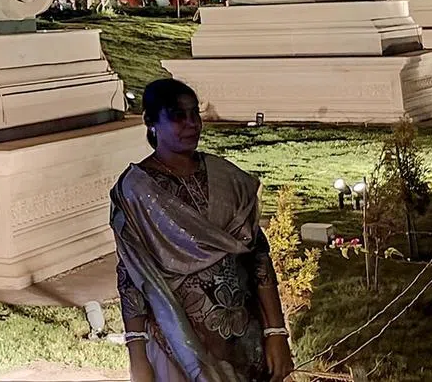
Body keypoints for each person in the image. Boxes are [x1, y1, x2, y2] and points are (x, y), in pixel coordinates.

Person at [110, 79, 294, 382]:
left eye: (195, 113)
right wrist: (137, 357)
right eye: (178, 115)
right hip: (178, 346)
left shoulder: (229, 180)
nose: (192, 123)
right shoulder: (135, 192)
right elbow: (131, 277)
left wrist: (276, 332)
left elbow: (259, 258)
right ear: (151, 121)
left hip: (246, 341)